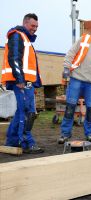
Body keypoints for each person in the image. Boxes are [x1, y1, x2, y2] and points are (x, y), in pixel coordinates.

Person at [1, 13, 43, 153]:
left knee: (21, 111)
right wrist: (20, 80)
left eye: (36, 26)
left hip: (26, 82)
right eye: (32, 25)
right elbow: (14, 58)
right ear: (25, 23)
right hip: (21, 82)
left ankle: (12, 141)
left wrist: (34, 83)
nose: (35, 29)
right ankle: (26, 142)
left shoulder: (24, 38)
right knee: (27, 112)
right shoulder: (17, 35)